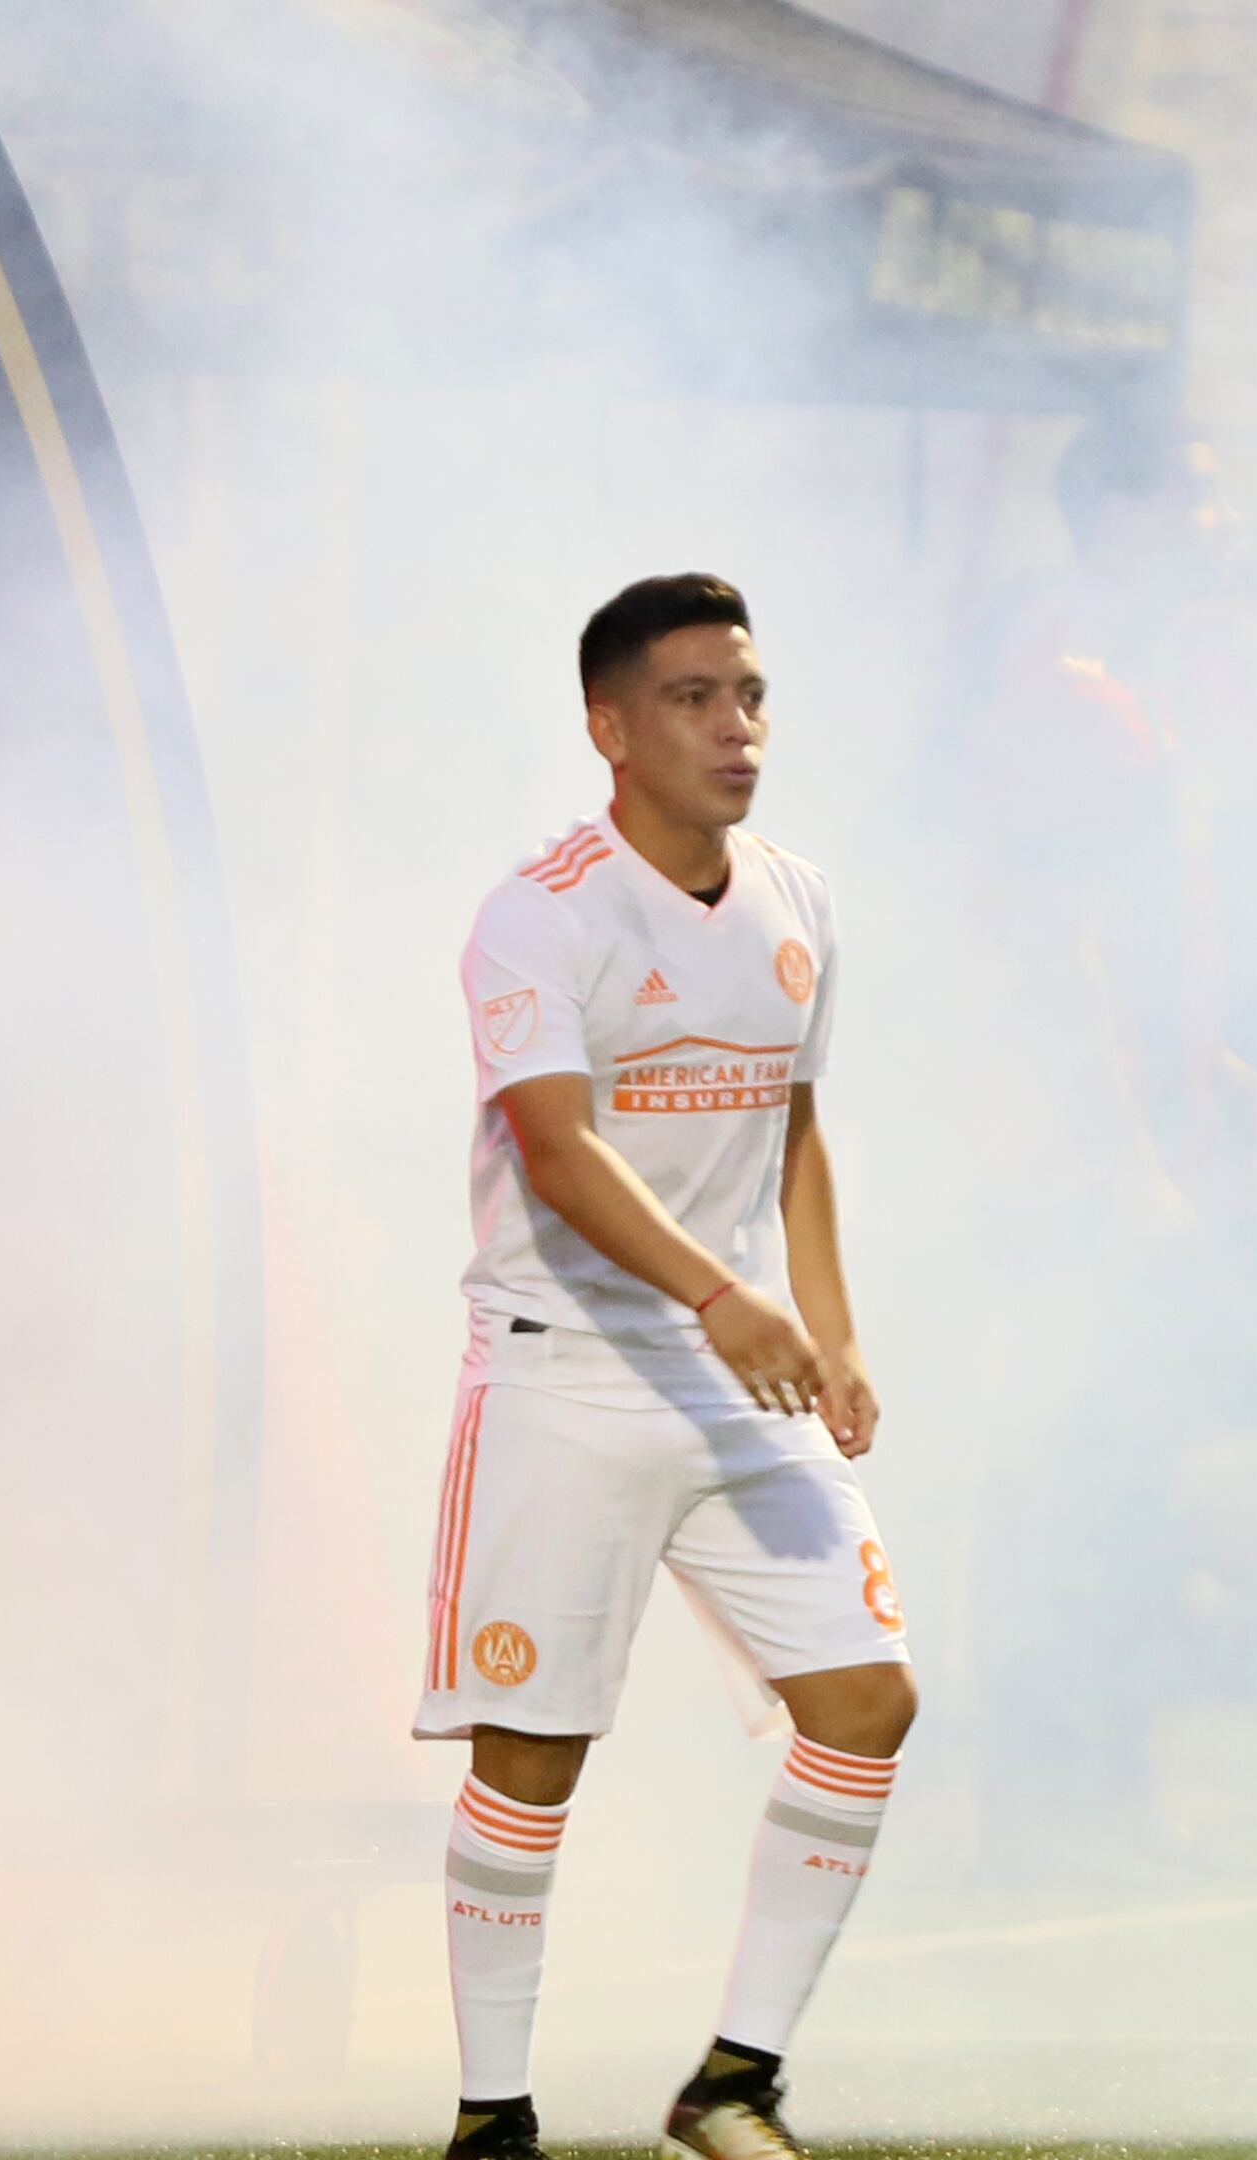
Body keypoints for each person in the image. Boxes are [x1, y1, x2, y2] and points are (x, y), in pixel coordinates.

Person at [425, 574, 915, 2160]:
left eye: (752, 694)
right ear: (610, 728)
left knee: (867, 1699)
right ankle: (491, 2115)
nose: (738, 727)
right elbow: (558, 1155)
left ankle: (733, 2086)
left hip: (736, 1374)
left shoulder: (797, 898)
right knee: (533, 1755)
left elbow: (793, 1132)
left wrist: (827, 1329)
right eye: (697, 698)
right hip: (566, 1370)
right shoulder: (538, 909)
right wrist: (726, 1298)